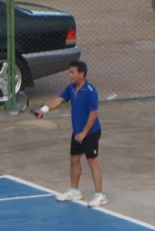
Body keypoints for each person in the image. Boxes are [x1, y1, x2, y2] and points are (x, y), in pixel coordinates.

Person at [35, 60, 106, 207]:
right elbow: (58, 100)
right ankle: (75, 191)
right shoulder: (71, 89)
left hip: (91, 132)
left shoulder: (90, 92)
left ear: (81, 74)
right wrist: (43, 110)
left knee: (92, 161)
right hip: (78, 133)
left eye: (73, 72)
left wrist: (84, 133)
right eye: (70, 72)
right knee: (74, 159)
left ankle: (100, 195)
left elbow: (93, 115)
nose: (70, 75)